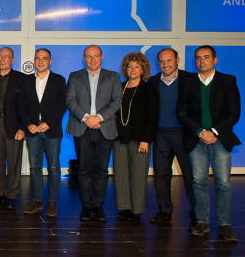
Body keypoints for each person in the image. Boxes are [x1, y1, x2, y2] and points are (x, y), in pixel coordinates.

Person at [178, 45, 241, 241]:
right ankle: (202, 222)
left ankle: (224, 225)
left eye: (206, 57)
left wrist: (213, 132)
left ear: (215, 60)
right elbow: (182, 113)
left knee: (223, 183)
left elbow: (234, 113)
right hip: (196, 140)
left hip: (220, 139)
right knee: (199, 182)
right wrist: (200, 132)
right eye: (198, 58)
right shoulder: (187, 83)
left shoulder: (228, 81)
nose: (201, 61)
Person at [66, 45, 121, 222]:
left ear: (102, 57)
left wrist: (97, 118)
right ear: (84, 58)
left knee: (101, 170)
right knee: (84, 170)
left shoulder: (113, 76)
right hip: (82, 128)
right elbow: (70, 101)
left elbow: (116, 101)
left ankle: (98, 206)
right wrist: (86, 118)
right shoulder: (75, 76)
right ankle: (86, 206)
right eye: (89, 56)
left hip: (104, 128)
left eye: (96, 56)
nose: (92, 59)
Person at [147, 48, 195, 224]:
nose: (165, 65)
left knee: (190, 175)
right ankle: (165, 210)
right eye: (161, 61)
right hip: (160, 134)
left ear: (177, 60)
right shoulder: (152, 82)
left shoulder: (190, 79)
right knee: (161, 175)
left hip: (184, 134)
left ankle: (197, 211)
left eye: (169, 61)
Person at [18, 48, 66, 216]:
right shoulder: (26, 81)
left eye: (44, 58)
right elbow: (21, 105)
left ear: (50, 61)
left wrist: (49, 123)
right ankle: (37, 202)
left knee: (53, 167)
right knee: (35, 168)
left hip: (51, 131)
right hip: (32, 131)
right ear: (34, 61)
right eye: (37, 58)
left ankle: (52, 203)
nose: (40, 61)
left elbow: (62, 105)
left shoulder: (59, 80)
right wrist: (28, 125)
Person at [113, 52, 158, 221]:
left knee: (138, 175)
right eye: (129, 66)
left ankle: (136, 210)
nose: (132, 69)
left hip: (140, 140)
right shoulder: (119, 87)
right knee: (120, 175)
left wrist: (146, 139)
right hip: (119, 139)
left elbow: (152, 116)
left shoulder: (148, 89)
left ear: (143, 69)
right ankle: (124, 207)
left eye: (136, 67)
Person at [0, 47, 26, 210]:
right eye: (0, 56)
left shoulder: (22, 78)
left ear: (12, 60)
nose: (2, 59)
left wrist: (23, 128)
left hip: (14, 126)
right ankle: (0, 193)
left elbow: (25, 105)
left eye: (6, 57)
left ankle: (12, 194)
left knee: (14, 162)